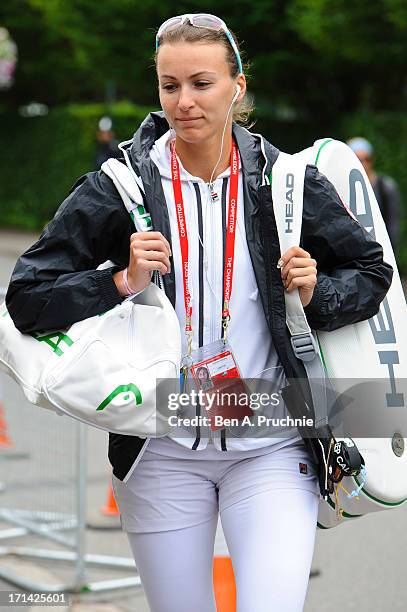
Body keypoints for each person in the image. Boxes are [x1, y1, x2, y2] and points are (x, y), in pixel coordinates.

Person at [6, 14, 392, 612]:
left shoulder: (287, 182)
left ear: (237, 86)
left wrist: (318, 293)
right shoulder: (121, 185)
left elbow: (371, 273)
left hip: (273, 440)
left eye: (201, 83)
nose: (183, 102)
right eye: (169, 85)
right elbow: (28, 297)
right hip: (160, 450)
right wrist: (119, 280)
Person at [348, 136, 402, 254]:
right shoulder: (343, 188)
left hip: (379, 253)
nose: (364, 164)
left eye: (367, 159)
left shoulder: (385, 187)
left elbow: (393, 225)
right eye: (358, 159)